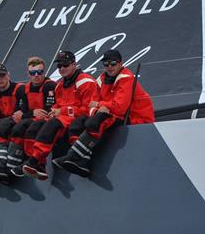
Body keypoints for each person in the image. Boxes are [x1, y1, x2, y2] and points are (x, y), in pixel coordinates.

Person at [53, 49, 155, 177]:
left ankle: (73, 157)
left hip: (137, 119)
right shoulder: (102, 78)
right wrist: (97, 107)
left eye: (113, 63)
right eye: (106, 64)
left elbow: (119, 108)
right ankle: (82, 161)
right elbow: (91, 104)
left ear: (120, 63)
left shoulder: (126, 78)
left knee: (96, 121)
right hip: (114, 114)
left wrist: (100, 105)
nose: (109, 67)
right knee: (78, 123)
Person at [22, 51, 98, 179]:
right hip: (65, 118)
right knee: (38, 124)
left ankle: (35, 160)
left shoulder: (85, 81)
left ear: (74, 64)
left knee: (53, 123)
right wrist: (52, 112)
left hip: (79, 119)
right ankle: (36, 163)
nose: (62, 68)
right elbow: (57, 105)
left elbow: (88, 110)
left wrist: (62, 111)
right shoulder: (60, 85)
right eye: (59, 66)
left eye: (65, 65)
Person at [0, 56, 56, 179]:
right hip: (30, 119)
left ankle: (29, 165)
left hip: (48, 119)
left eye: (39, 72)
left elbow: (47, 110)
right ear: (28, 73)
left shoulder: (49, 86)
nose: (36, 75)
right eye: (33, 73)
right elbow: (22, 111)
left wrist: (28, 114)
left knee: (26, 128)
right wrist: (30, 113)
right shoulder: (25, 88)